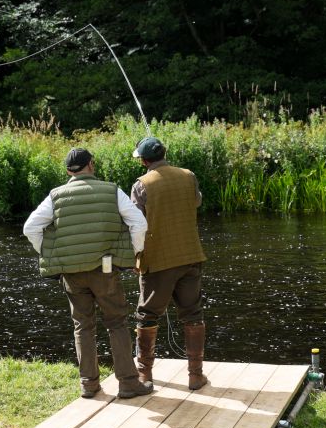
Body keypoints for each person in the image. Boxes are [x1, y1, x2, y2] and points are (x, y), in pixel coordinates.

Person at [23, 147, 152, 400]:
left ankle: (89, 385)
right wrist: (134, 253)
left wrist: (50, 254)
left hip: (71, 273)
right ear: (91, 165)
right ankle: (128, 383)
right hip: (104, 269)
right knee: (116, 322)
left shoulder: (55, 196)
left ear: (68, 170)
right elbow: (139, 223)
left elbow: (31, 227)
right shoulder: (111, 190)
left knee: (82, 326)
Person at [130, 136, 208, 390]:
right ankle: (195, 376)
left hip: (158, 260)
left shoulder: (141, 185)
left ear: (143, 160)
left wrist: (134, 257)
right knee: (193, 314)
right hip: (190, 256)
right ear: (164, 153)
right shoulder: (189, 175)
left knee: (148, 315)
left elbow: (136, 226)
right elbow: (196, 201)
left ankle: (145, 375)